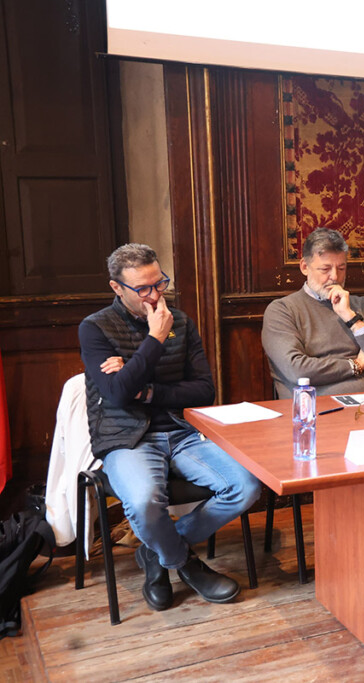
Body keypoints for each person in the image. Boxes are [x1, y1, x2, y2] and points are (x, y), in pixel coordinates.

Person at [79, 243, 261, 611]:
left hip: (180, 431)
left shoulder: (181, 320)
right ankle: (186, 564)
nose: (155, 295)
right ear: (117, 288)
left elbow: (204, 389)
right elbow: (115, 395)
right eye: (142, 288)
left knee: (247, 485)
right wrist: (154, 339)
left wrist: (144, 389)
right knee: (146, 504)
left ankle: (157, 552)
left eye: (159, 283)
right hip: (126, 438)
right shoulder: (95, 328)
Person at [262, 228, 364, 397]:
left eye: (341, 268)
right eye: (325, 269)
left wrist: (351, 318)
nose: (335, 277)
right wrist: (356, 365)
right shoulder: (282, 310)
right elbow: (298, 371)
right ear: (305, 267)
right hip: (314, 413)